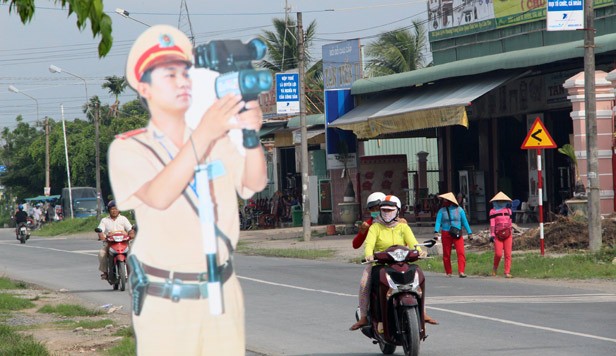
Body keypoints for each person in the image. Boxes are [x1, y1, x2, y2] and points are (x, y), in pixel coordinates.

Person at [107, 25, 267, 355]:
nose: (182, 82)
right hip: (166, 300)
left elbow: (254, 183)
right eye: (169, 75)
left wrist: (251, 136)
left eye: (185, 73)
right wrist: (203, 135)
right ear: (144, 87)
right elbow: (159, 195)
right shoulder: (130, 148)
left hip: (222, 294)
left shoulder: (218, 139)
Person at [350, 195, 437, 331]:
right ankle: (364, 316)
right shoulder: (374, 227)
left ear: (397, 211)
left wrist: (420, 251)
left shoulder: (403, 227)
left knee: (418, 278)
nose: (386, 213)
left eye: (390, 210)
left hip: (401, 262)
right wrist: (369, 255)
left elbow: (414, 243)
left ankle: (423, 312)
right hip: (379, 263)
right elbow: (368, 244)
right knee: (364, 283)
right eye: (383, 210)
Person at [434, 192, 473, 278]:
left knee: (461, 252)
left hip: (457, 233)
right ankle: (448, 272)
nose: (444, 201)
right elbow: (438, 222)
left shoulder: (460, 210)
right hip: (445, 233)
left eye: (446, 200)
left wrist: (469, 232)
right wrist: (436, 232)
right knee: (446, 253)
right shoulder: (441, 211)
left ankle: (461, 271)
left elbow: (465, 222)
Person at [97, 200, 134, 280]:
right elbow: (100, 230)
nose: (114, 211)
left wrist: (131, 233)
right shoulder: (104, 220)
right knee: (102, 254)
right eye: (112, 209)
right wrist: (101, 235)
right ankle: (105, 272)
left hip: (124, 243)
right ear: (109, 210)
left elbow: (130, 229)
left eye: (116, 209)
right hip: (109, 244)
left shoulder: (123, 219)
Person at [489, 192, 514, 278]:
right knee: (498, 254)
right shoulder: (492, 211)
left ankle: (507, 272)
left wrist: (511, 230)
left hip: (508, 234)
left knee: (508, 254)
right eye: (499, 201)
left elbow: (510, 222)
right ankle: (495, 267)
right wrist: (492, 234)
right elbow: (492, 223)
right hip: (497, 235)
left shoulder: (509, 211)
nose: (501, 202)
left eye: (503, 201)